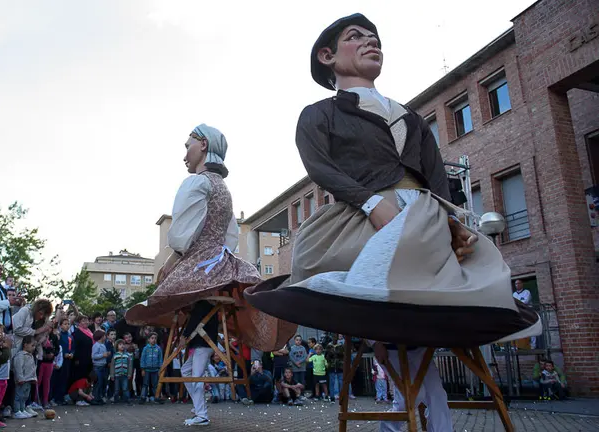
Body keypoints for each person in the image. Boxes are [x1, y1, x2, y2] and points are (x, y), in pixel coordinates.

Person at [243, 13, 542, 432]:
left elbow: (436, 176)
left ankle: (407, 396)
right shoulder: (319, 114)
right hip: (358, 216)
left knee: (440, 285)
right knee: (365, 280)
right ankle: (407, 387)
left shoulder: (411, 118)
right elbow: (320, 168)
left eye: (375, 37)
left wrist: (452, 220)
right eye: (356, 37)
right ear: (327, 56)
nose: (371, 42)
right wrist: (371, 204)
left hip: (424, 216)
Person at [125, 124, 296, 426]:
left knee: (166, 302)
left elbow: (181, 236)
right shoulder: (224, 189)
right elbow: (230, 236)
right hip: (221, 262)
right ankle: (200, 400)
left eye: (187, 146)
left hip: (201, 263)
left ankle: (200, 406)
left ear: (203, 144)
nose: (184, 155)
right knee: (200, 316)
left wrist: (172, 261)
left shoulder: (197, 183)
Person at [12, 335, 37, 419]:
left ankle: (22, 409)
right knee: (19, 396)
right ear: (25, 345)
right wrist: (20, 378)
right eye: (32, 345)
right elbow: (18, 367)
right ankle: (17, 411)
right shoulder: (20, 355)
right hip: (22, 380)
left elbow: (33, 368)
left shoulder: (30, 356)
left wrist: (34, 378)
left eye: (34, 346)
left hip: (29, 380)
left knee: (25, 396)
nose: (34, 348)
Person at [140, 332, 163, 403]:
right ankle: (143, 397)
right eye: (152, 338)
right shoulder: (145, 348)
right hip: (147, 370)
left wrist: (160, 369)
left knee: (155, 384)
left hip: (155, 370)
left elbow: (160, 359)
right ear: (148, 339)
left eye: (155, 338)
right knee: (145, 384)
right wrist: (143, 369)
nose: (154, 340)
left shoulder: (158, 348)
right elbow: (142, 359)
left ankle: (157, 397)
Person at [110, 340, 133, 405]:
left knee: (125, 388)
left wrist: (129, 374)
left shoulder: (127, 355)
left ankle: (127, 399)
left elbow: (130, 365)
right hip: (117, 375)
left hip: (125, 375)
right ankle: (116, 399)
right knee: (116, 389)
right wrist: (112, 375)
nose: (122, 346)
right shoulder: (115, 355)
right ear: (117, 346)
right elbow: (112, 366)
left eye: (123, 344)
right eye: (120, 344)